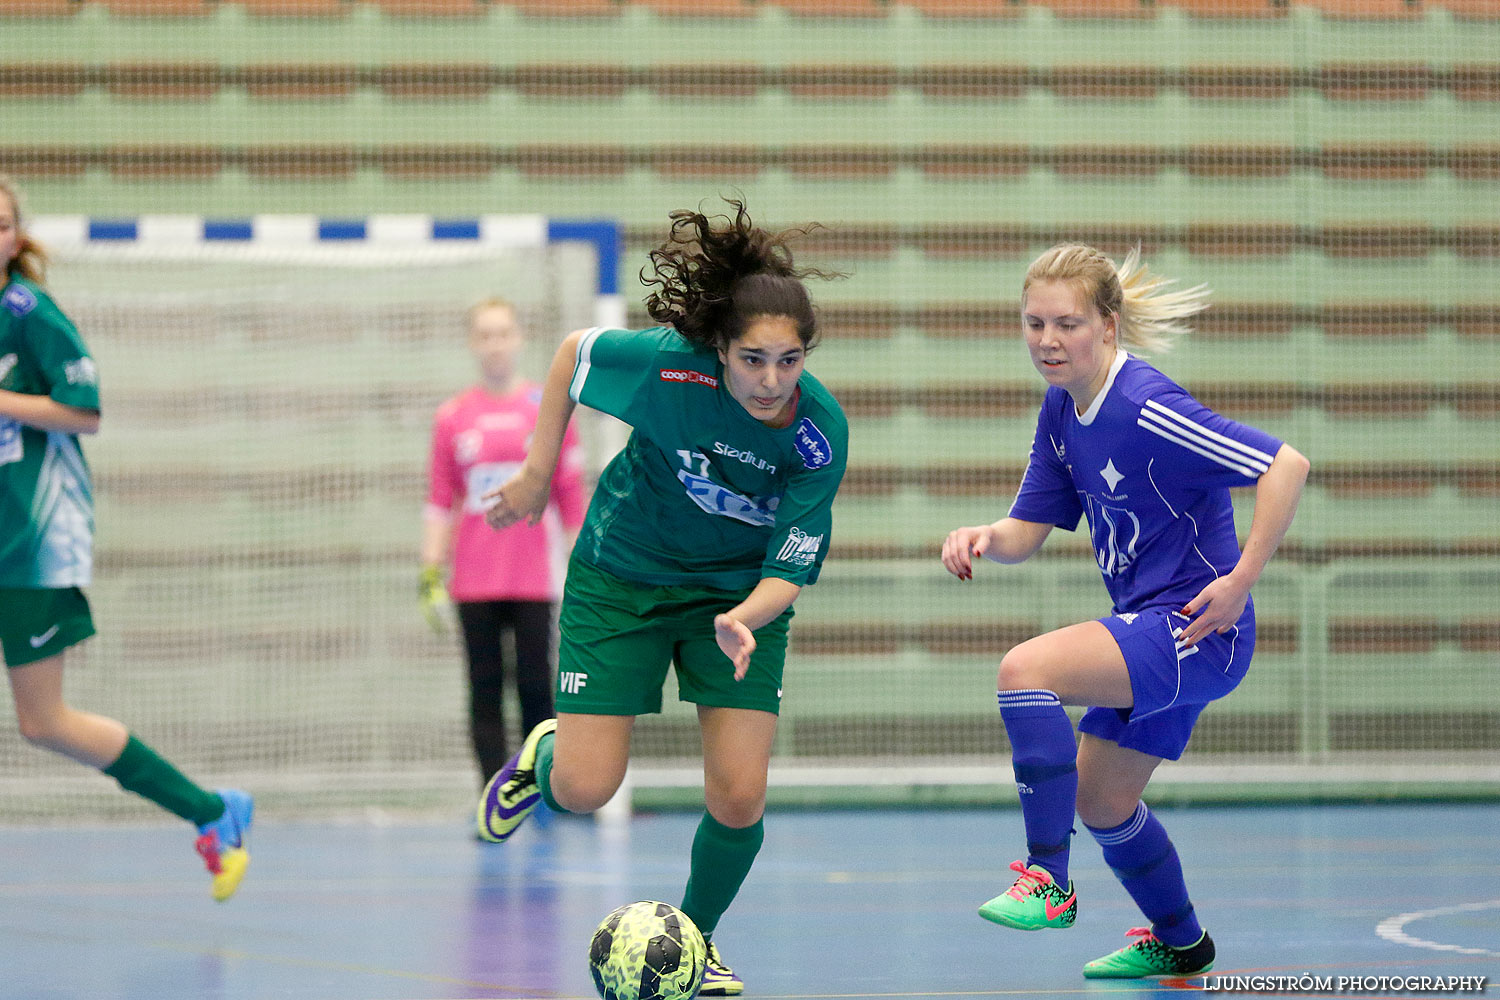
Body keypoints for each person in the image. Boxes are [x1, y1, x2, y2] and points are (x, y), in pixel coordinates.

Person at [475, 198, 848, 997]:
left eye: (790, 361)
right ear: (719, 350)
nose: (772, 380)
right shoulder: (667, 366)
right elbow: (574, 356)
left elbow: (792, 562)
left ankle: (696, 942)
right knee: (583, 790)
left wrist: (746, 618)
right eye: (753, 359)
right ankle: (540, 755)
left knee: (740, 795)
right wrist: (539, 474)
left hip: (737, 607)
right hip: (623, 580)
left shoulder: (818, 432)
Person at [940, 244, 1309, 979]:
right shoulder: (1061, 410)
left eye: (1067, 324)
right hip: (1154, 631)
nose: (1047, 340)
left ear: (1108, 328)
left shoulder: (1147, 405)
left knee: (1025, 671)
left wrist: (1240, 579)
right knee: (1102, 800)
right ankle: (1181, 940)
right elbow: (1026, 531)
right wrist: (983, 536)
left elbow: (1284, 466)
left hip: (1200, 629)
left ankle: (1049, 881)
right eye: (1034, 322)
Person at [0, 175, 253, 902]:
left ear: (17, 236)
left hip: (32, 544)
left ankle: (211, 811)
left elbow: (85, 411)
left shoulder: (30, 313)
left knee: (43, 720)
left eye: (4, 225)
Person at [420, 297, 585, 787]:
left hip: (534, 580)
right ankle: (492, 795)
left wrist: (583, 568)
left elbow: (570, 498)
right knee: (485, 690)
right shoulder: (452, 417)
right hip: (473, 581)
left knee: (537, 688)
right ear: (474, 343)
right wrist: (430, 570)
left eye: (503, 333)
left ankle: (538, 790)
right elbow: (438, 500)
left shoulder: (547, 408)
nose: (495, 344)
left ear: (518, 338)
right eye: (485, 335)